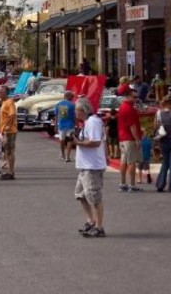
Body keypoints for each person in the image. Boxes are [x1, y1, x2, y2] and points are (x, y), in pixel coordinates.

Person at [71, 98, 108, 238]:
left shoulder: (93, 122)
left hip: (92, 166)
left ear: (83, 110)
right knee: (81, 195)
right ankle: (90, 221)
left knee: (94, 196)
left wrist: (78, 142)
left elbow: (95, 142)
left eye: (76, 109)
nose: (75, 112)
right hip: (85, 166)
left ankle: (99, 226)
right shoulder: (87, 123)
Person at [116, 84, 143, 192]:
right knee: (132, 162)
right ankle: (132, 184)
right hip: (130, 138)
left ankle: (123, 183)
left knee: (124, 161)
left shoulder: (122, 106)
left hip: (122, 138)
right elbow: (132, 126)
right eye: (134, 97)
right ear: (128, 96)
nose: (136, 99)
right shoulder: (130, 109)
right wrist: (137, 139)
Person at [0, 85, 18, 180]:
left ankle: (11, 172)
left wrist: (8, 125)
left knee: (9, 151)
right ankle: (9, 170)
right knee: (6, 151)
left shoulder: (9, 102)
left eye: (0, 92)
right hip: (4, 131)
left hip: (9, 131)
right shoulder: (4, 102)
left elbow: (12, 114)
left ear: (5, 93)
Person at [55, 91, 77, 162]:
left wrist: (55, 125)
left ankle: (63, 154)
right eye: (72, 96)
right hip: (70, 125)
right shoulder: (73, 105)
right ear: (68, 96)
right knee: (70, 140)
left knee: (62, 141)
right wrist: (76, 123)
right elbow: (74, 116)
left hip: (61, 125)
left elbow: (56, 116)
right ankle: (67, 156)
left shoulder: (59, 104)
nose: (73, 97)